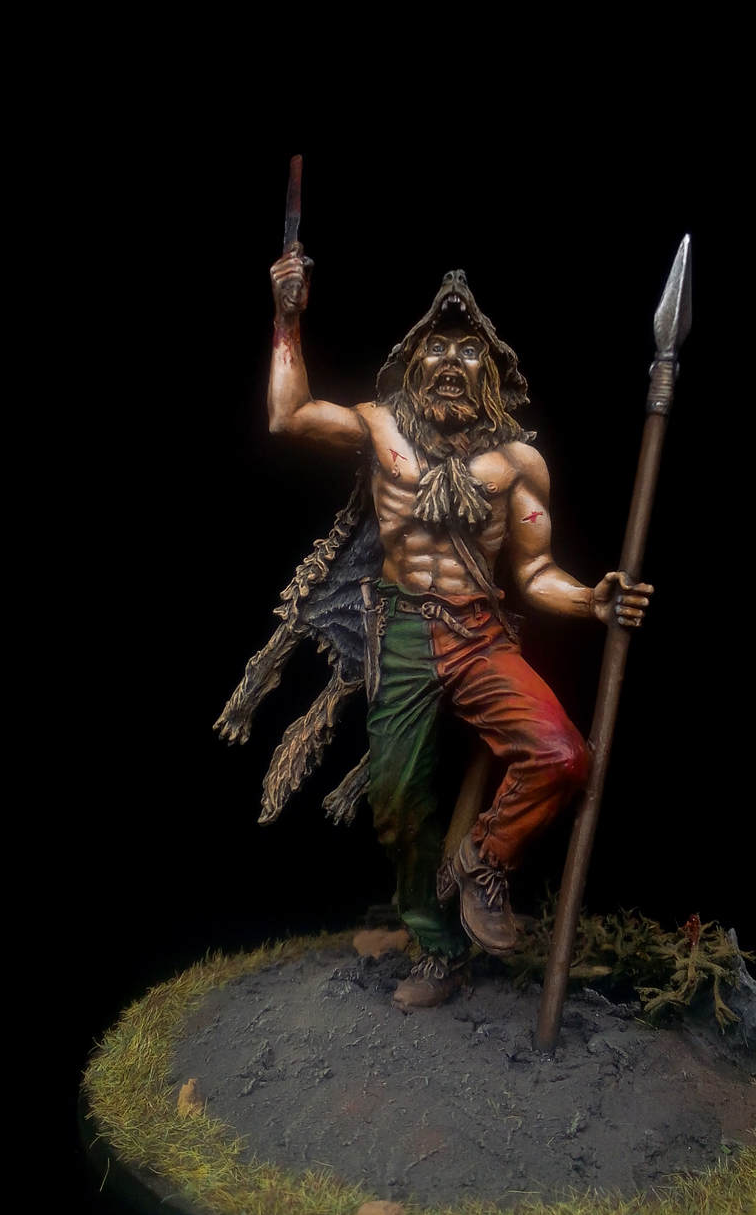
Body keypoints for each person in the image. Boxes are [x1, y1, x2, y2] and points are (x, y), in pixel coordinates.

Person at [254, 249, 652, 1009]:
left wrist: (592, 602)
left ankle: (483, 860)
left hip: (478, 636)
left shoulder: (518, 464)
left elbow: (536, 573)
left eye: (469, 351)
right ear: (411, 365)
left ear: (492, 374)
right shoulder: (380, 430)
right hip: (402, 632)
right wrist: (286, 318)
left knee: (563, 756)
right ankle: (439, 951)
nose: (449, 361)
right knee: (397, 809)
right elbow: (289, 416)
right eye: (435, 346)